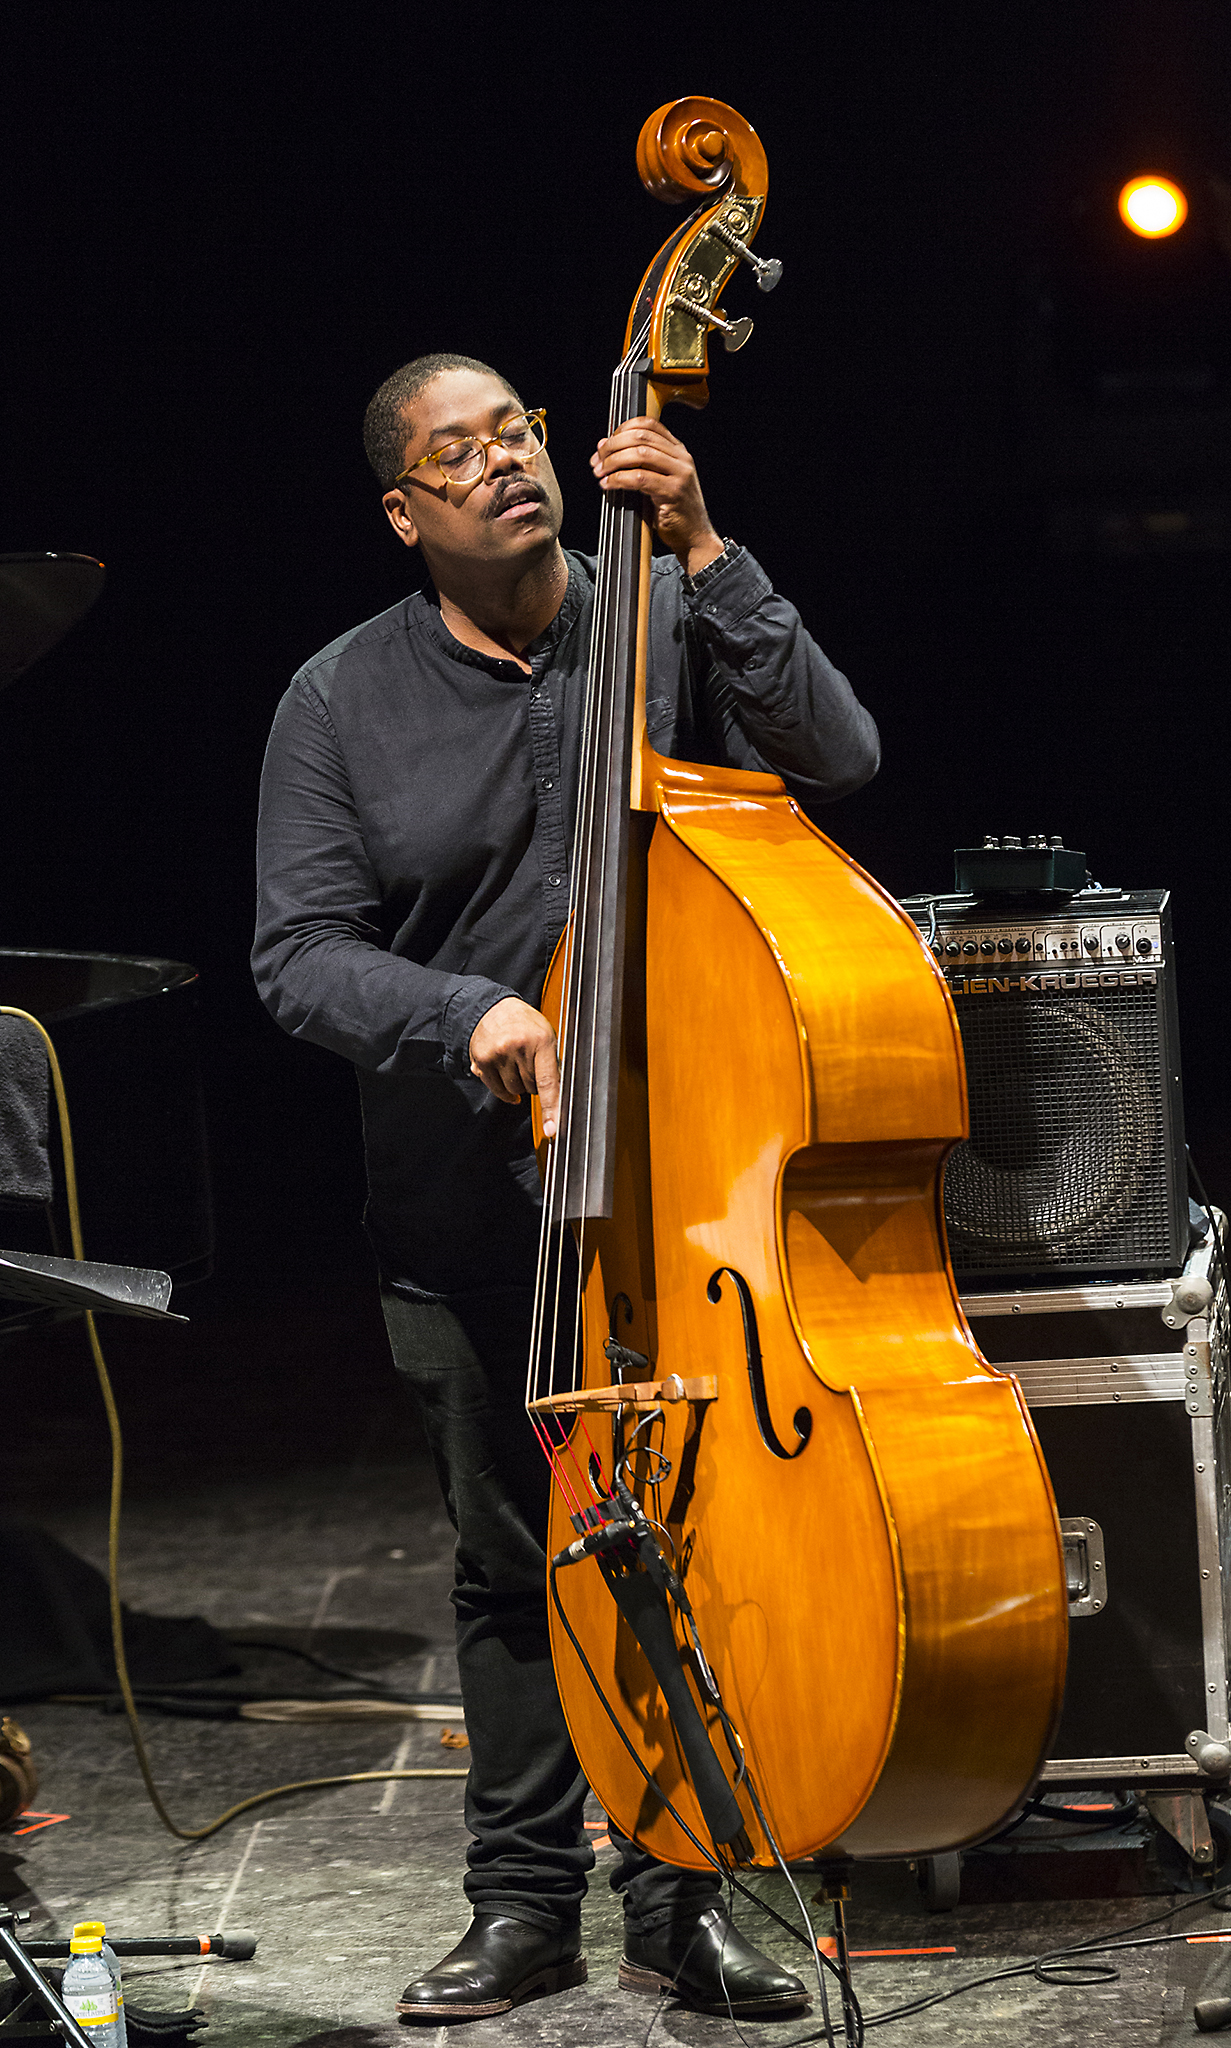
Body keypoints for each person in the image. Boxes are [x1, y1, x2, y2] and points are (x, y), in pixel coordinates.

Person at [252, 352, 880, 2023]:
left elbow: (839, 752)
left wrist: (708, 551)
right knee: (511, 1565)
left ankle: (684, 1903)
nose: (505, 464)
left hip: (687, 1200)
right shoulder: (337, 701)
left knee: (696, 1539)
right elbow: (297, 955)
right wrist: (467, 1012)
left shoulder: (663, 620)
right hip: (466, 1207)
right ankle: (521, 1906)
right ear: (405, 513)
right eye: (457, 454)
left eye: (518, 431)